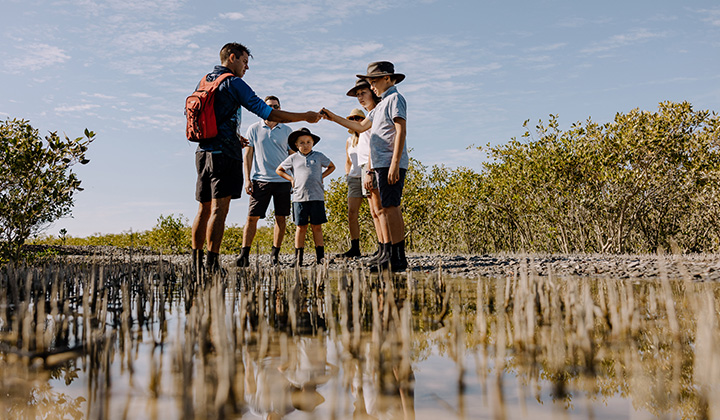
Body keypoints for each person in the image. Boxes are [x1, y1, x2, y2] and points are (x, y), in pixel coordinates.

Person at [190, 42, 321, 275]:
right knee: (219, 209)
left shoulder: (205, 80)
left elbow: (213, 116)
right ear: (232, 58)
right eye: (244, 61)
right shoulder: (233, 82)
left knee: (203, 208)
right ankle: (211, 264)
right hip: (224, 156)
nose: (246, 67)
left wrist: (233, 135)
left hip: (202, 153)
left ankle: (196, 263)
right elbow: (268, 112)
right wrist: (306, 117)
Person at [321, 61, 408, 272]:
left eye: (374, 82)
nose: (372, 87)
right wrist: (332, 117)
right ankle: (388, 254)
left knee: (391, 208)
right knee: (386, 209)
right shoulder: (379, 106)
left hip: (389, 162)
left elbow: (400, 130)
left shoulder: (395, 99)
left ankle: (398, 257)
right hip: (380, 163)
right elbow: (359, 126)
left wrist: (395, 163)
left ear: (387, 78)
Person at [236, 96, 294, 267]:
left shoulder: (287, 130)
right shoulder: (253, 129)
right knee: (252, 218)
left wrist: (293, 179)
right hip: (260, 180)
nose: (273, 109)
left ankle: (274, 255)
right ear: (263, 108)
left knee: (281, 218)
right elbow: (248, 155)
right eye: (269, 106)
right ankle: (244, 254)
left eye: (276, 106)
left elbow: (293, 156)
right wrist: (247, 179)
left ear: (280, 108)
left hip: (282, 180)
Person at [337, 79, 389, 261]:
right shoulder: (364, 123)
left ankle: (386, 249)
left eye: (363, 93)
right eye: (357, 95)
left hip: (372, 167)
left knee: (380, 209)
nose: (359, 98)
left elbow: (374, 146)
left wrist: (368, 170)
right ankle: (382, 249)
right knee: (374, 211)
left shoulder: (375, 115)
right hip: (362, 170)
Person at [276, 128, 335, 266]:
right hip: (299, 197)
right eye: (302, 142)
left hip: (317, 197)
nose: (305, 145)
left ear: (313, 143)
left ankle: (320, 258)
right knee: (301, 227)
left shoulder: (319, 156)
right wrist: (291, 179)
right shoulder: (293, 158)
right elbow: (279, 170)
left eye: (308, 142)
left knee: (317, 227)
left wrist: (322, 177)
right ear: (296, 145)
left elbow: (332, 166)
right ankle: (298, 259)